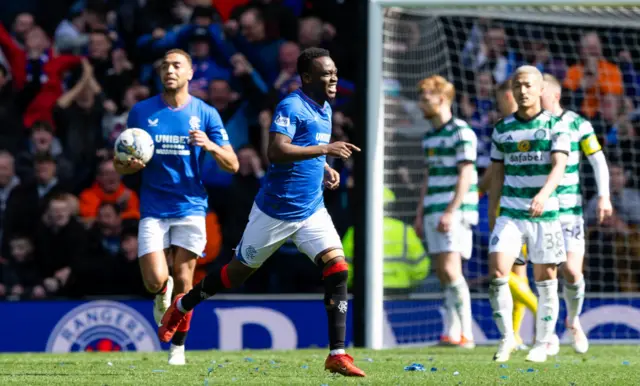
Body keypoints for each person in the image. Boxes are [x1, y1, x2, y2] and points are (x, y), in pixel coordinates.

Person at [157, 47, 366, 377]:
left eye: (335, 71)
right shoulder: (291, 106)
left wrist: (323, 166)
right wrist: (326, 149)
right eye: (326, 73)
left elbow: (305, 145)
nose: (333, 77)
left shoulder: (325, 107)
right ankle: (183, 305)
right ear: (307, 77)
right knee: (238, 273)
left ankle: (337, 354)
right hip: (275, 211)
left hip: (311, 209)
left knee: (338, 269)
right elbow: (276, 150)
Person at [113, 48, 239, 365]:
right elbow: (122, 164)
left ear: (190, 73)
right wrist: (129, 165)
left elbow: (233, 164)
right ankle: (160, 292)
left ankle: (178, 349)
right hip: (154, 207)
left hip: (191, 207)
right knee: (156, 280)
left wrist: (209, 145)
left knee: (186, 282)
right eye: (165, 66)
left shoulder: (206, 113)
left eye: (177, 65)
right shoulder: (141, 112)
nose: (170, 70)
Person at [488, 65, 571, 363]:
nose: (522, 91)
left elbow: (559, 165)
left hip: (544, 213)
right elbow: (496, 174)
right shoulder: (502, 128)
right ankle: (507, 338)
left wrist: (544, 194)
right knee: (498, 273)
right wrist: (492, 211)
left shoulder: (555, 126)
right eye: (517, 86)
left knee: (546, 279)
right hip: (510, 212)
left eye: (527, 85)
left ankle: (543, 342)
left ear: (540, 90)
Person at [541, 73, 613, 354]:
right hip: (541, 211)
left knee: (571, 271)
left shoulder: (579, 124)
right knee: (546, 273)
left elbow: (598, 160)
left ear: (555, 95)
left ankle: (573, 321)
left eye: (540, 92)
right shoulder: (532, 126)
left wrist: (604, 195)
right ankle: (546, 334)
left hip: (570, 210)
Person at [413, 75, 478, 349]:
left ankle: (466, 333)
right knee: (442, 273)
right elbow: (428, 176)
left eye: (425, 98)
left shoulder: (461, 131)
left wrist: (452, 210)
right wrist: (419, 212)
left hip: (456, 211)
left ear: (441, 99)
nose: (420, 104)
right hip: (433, 210)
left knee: (452, 270)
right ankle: (451, 333)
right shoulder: (429, 137)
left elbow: (466, 174)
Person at [481, 79, 540, 352]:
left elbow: (494, 174)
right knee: (518, 274)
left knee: (503, 270)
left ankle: (540, 311)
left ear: (507, 96)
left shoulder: (509, 129)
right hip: (527, 208)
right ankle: (515, 335)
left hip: (508, 208)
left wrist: (476, 190)